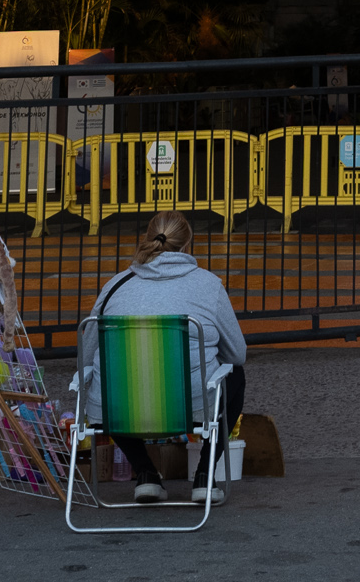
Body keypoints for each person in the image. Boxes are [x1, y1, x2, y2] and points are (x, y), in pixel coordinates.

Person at [77, 212, 251, 502]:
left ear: (147, 240)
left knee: (112, 385)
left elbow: (87, 357)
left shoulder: (114, 287)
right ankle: (204, 476)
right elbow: (238, 354)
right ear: (186, 245)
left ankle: (145, 473)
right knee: (237, 375)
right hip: (189, 406)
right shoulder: (208, 285)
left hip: (121, 410)